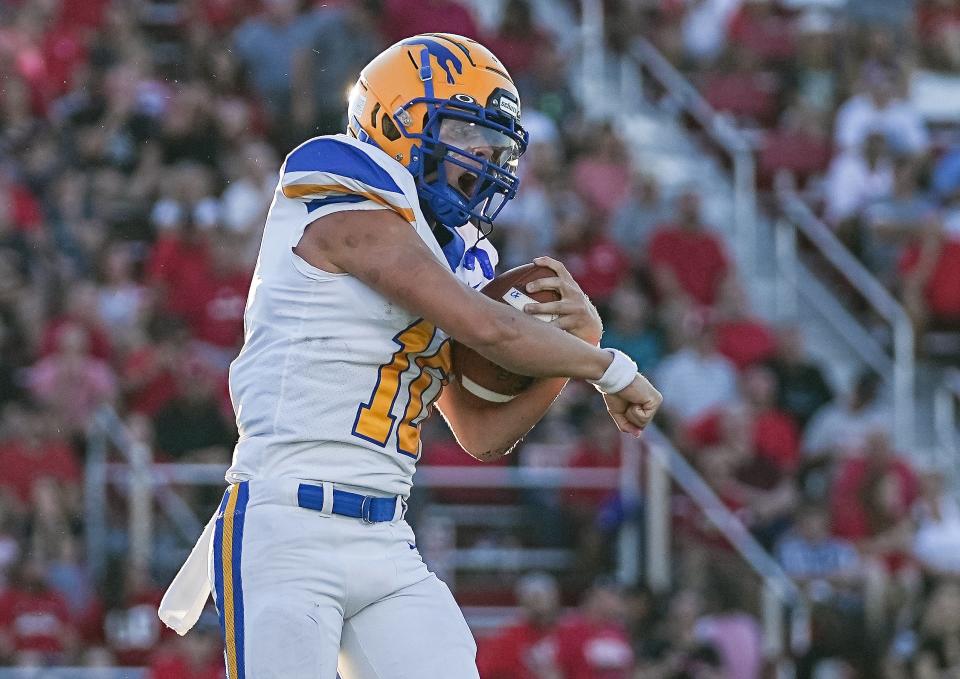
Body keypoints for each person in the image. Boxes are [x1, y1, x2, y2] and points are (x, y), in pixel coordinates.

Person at [159, 33, 662, 679]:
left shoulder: (445, 254)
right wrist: (608, 367)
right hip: (285, 526)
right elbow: (489, 328)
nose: (480, 158)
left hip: (386, 535)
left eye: (492, 143)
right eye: (464, 131)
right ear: (396, 119)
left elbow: (482, 434)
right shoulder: (345, 205)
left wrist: (577, 353)